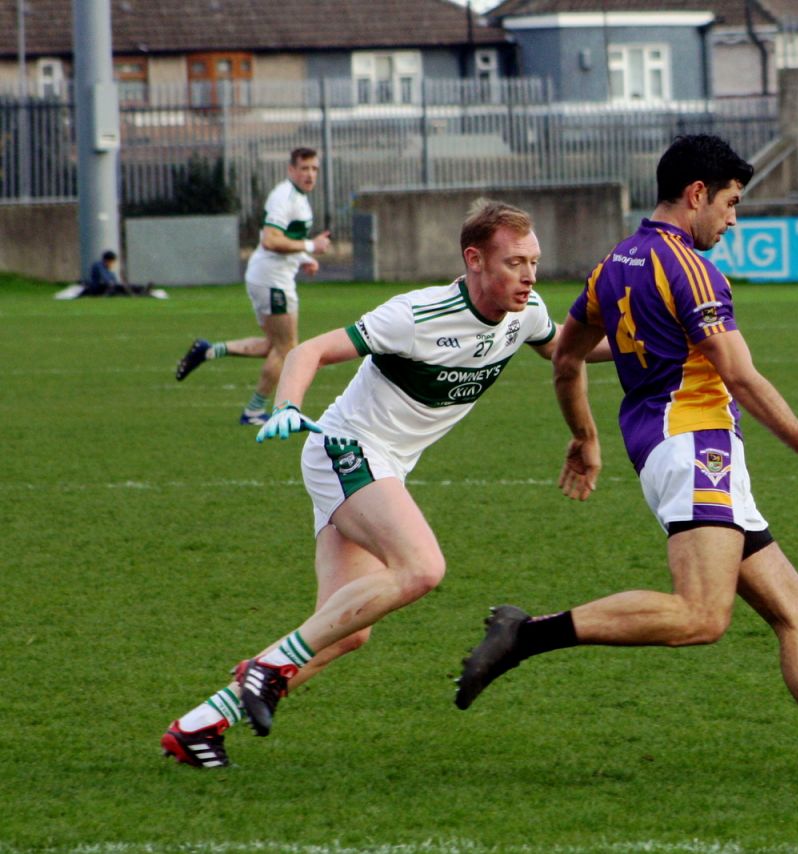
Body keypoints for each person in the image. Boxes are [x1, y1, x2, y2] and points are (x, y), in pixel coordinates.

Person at [453, 134, 798, 783]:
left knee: (796, 608)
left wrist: (586, 436)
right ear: (696, 195)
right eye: (731, 203)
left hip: (678, 450)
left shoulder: (613, 265)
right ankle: (526, 634)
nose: (733, 218)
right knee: (702, 615)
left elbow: (565, 359)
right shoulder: (691, 269)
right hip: (696, 445)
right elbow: (740, 377)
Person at [161, 200, 611, 768]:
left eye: (534, 261)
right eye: (514, 262)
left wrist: (653, 343)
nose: (528, 276)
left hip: (384, 464)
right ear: (473, 259)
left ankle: (199, 726)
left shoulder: (528, 313)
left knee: (346, 630)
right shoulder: (417, 315)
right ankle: (268, 667)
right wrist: (288, 404)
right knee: (422, 567)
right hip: (345, 449)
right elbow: (310, 349)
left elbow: (568, 351)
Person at [174, 146, 332, 426]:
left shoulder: (299, 199)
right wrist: (311, 245)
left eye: (314, 169)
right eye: (304, 168)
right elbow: (270, 240)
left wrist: (304, 257)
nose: (310, 174)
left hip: (271, 277)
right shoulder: (284, 197)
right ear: (291, 170)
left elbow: (283, 239)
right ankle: (254, 411)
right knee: (287, 349)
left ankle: (209, 350)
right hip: (272, 281)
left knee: (273, 345)